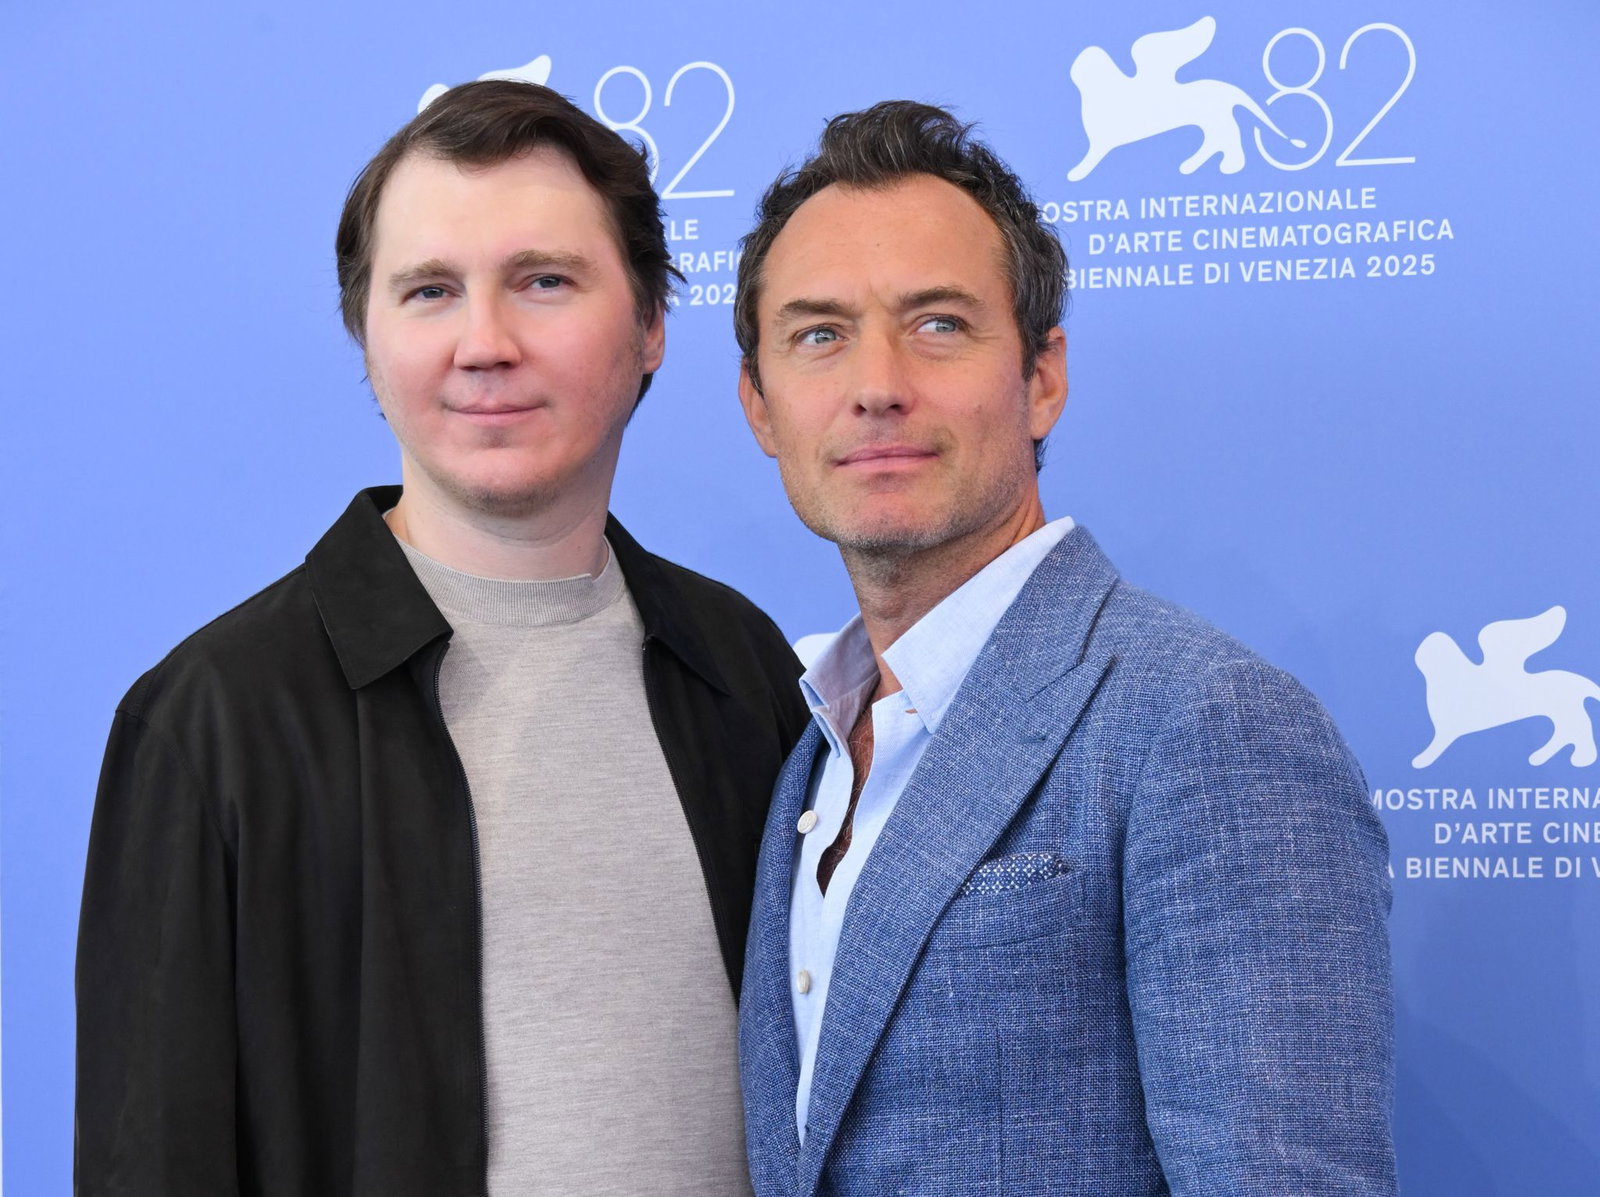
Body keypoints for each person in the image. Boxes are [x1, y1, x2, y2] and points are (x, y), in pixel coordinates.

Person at [76, 80, 806, 1196]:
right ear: (367, 341)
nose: (484, 342)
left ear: (652, 323)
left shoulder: (744, 669)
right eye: (428, 291)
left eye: (544, 282)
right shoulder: (213, 720)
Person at [733, 101, 1395, 1196]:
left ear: (1041, 376)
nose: (876, 382)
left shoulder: (1203, 722)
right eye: (818, 334)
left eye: (938, 323)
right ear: (761, 406)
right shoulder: (808, 743)